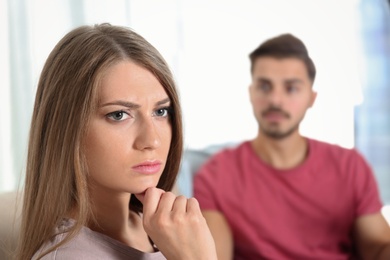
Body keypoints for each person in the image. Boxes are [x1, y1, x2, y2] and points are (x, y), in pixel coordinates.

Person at [15, 23, 217, 260]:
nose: (151, 139)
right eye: (119, 115)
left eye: (160, 112)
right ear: (67, 130)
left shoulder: (166, 229)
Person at [193, 33, 390, 260]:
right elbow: (214, 256)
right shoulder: (216, 174)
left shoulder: (349, 166)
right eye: (265, 86)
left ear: (311, 98)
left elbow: (377, 247)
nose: (276, 100)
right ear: (251, 93)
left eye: (291, 88)